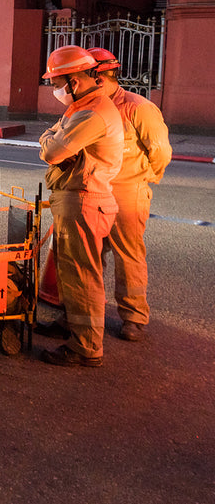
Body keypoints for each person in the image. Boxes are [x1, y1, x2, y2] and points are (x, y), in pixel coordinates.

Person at [38, 45, 124, 368]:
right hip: (76, 197)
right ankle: (72, 325)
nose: (55, 90)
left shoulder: (92, 113)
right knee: (70, 272)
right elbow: (54, 138)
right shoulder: (80, 106)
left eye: (56, 83)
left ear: (74, 80)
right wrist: (54, 137)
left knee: (83, 274)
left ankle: (87, 346)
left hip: (85, 199)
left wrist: (52, 139)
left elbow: (51, 150)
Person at [89, 47, 172, 342]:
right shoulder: (90, 107)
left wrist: (146, 178)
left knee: (128, 256)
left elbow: (160, 151)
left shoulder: (137, 108)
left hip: (127, 192)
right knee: (90, 256)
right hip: (94, 192)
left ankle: (134, 317)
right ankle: (88, 312)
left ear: (98, 77)